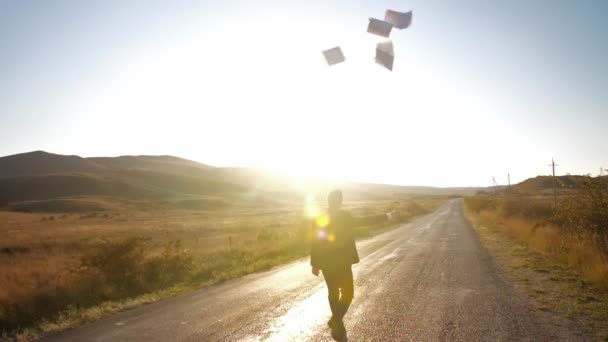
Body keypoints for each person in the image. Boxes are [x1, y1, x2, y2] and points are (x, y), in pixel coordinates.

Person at [310, 189, 399, 333]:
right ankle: (336, 319)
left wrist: (315, 264)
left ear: (329, 200)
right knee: (347, 293)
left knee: (333, 292)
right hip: (342, 262)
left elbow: (314, 242)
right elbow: (366, 221)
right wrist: (388, 216)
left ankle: (336, 319)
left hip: (327, 263)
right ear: (340, 201)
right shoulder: (344, 216)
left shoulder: (319, 218)